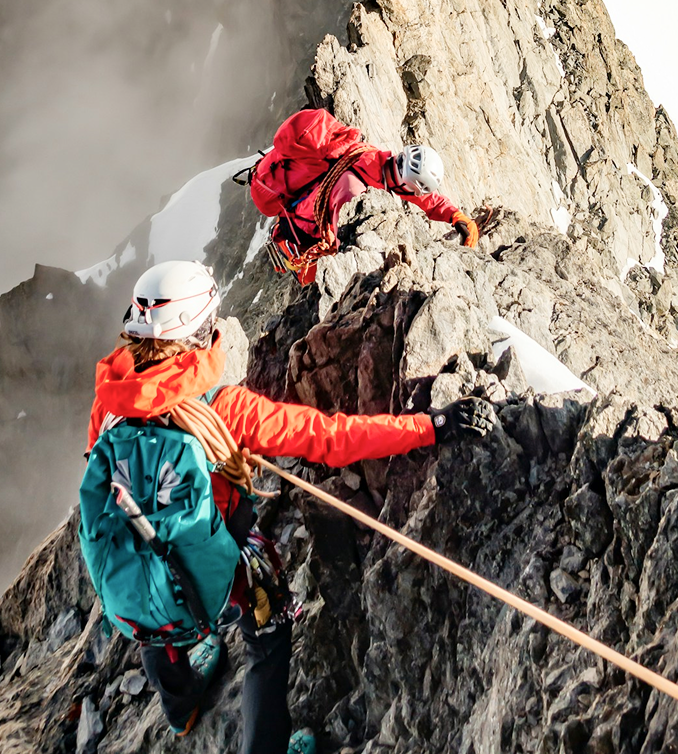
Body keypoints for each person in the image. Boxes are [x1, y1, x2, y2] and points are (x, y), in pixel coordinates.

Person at [80, 260, 496, 754]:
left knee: (158, 618)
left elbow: (104, 472)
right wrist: (428, 427)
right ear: (200, 330)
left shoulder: (112, 399)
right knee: (267, 634)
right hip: (222, 559)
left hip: (135, 564)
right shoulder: (223, 408)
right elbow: (328, 438)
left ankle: (182, 707)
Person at [243, 108, 481, 284]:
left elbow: (420, 195)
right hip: (300, 242)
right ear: (407, 184)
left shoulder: (375, 159)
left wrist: (454, 215)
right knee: (315, 302)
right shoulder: (354, 190)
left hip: (303, 221)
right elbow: (337, 243)